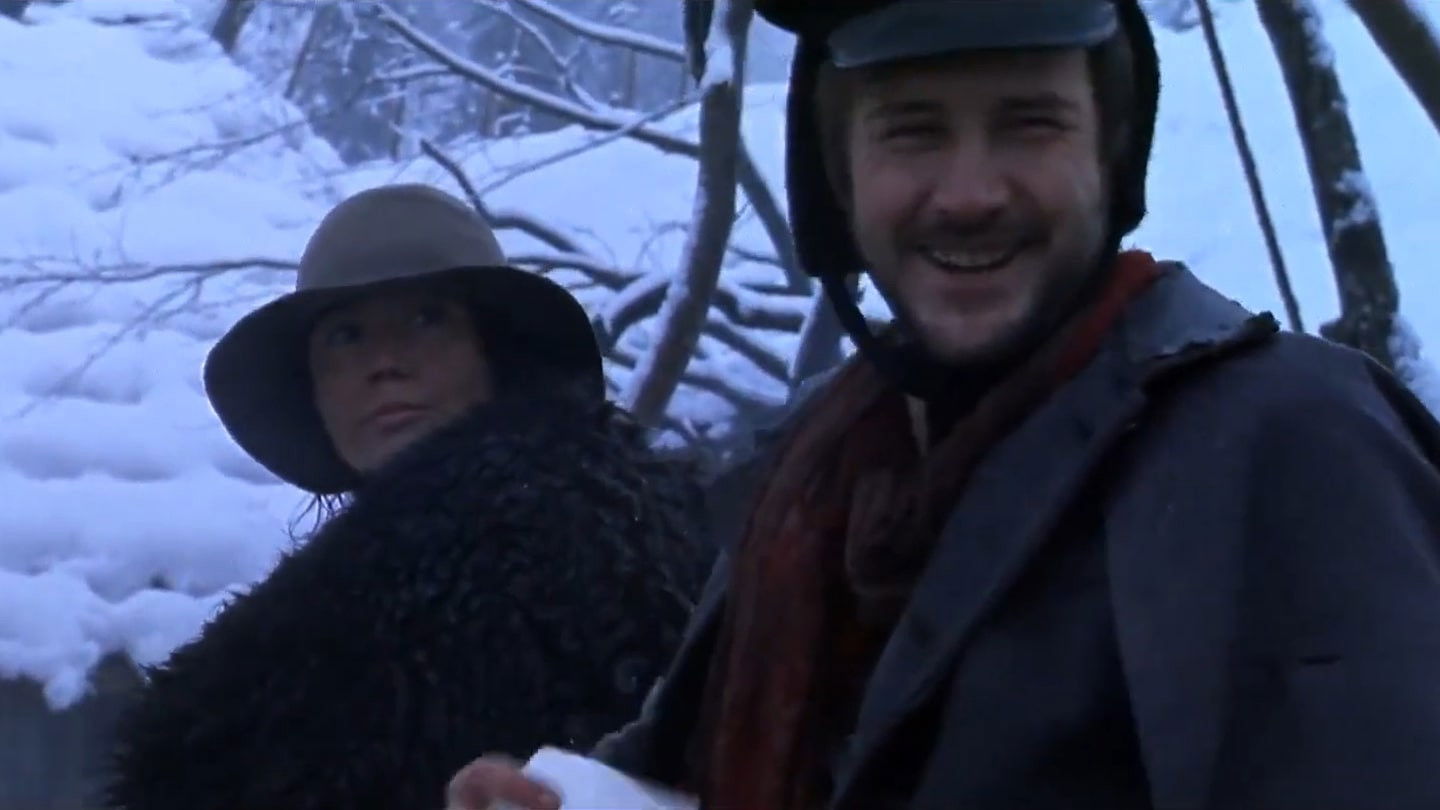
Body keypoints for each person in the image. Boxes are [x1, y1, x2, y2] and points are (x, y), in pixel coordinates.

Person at [448, 1, 1440, 809]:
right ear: (839, 182)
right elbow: (694, 766)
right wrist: (569, 797)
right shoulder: (814, 473)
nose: (968, 194)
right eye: (913, 131)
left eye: (1029, 123)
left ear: (1110, 156)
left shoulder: (1289, 443)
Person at [103, 184, 711, 810]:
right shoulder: (296, 652)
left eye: (426, 320)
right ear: (314, 389)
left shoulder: (607, 548)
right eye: (346, 335)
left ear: (493, 351)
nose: (386, 362)